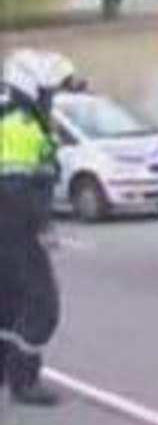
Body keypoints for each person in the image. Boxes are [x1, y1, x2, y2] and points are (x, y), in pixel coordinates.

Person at [0, 48, 76, 406]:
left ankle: (8, 371)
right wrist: (42, 224)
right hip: (14, 232)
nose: (52, 99)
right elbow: (14, 187)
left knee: (10, 303)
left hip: (8, 230)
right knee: (43, 305)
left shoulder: (16, 121)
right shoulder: (19, 127)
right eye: (49, 92)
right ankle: (24, 379)